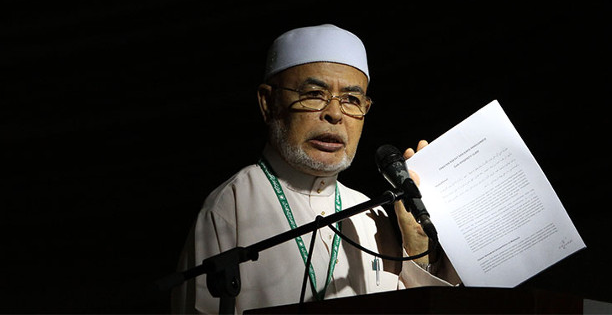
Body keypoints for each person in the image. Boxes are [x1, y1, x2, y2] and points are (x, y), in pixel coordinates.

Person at [171, 24, 460, 314]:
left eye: (351, 99)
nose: (334, 114)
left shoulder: (369, 213)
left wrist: (417, 248)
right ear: (268, 102)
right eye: (313, 94)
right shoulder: (230, 208)